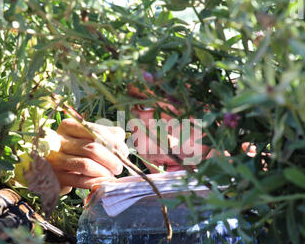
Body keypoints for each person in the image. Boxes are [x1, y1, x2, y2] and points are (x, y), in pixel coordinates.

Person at [46, 83, 258, 194]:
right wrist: (57, 177)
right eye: (145, 106)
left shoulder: (268, 171)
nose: (167, 139)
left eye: (190, 105)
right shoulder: (121, 167)